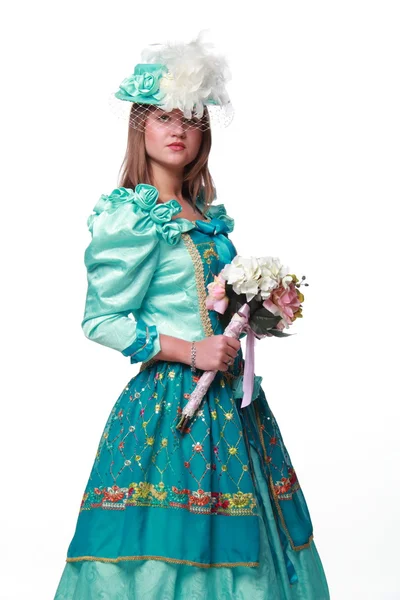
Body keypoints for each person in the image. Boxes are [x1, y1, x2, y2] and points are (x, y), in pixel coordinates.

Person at [54, 31, 330, 599]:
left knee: (245, 551)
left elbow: (211, 307)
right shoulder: (130, 218)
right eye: (162, 117)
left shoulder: (205, 215)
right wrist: (192, 350)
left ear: (203, 131)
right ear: (141, 127)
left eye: (190, 117)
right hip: (168, 410)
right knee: (164, 556)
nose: (177, 129)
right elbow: (100, 320)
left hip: (232, 407)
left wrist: (259, 312)